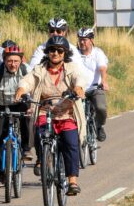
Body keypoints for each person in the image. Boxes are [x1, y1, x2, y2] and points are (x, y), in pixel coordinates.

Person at [15, 35, 85, 195]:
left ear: (64, 53)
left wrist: (79, 88)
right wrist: (21, 89)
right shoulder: (40, 69)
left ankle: (72, 181)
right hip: (44, 111)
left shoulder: (72, 67)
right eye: (52, 49)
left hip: (66, 112)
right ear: (47, 52)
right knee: (40, 134)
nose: (55, 53)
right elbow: (27, 80)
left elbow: (79, 78)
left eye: (59, 50)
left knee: (71, 143)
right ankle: (42, 158)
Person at [0, 44, 31, 187]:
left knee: (28, 119)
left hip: (20, 103)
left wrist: (32, 107)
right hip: (1, 105)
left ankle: (26, 148)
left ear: (21, 60)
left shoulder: (25, 69)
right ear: (4, 60)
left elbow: (34, 86)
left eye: (16, 61)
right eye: (10, 61)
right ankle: (0, 173)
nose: (13, 64)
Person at [75, 27, 110, 142]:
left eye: (84, 39)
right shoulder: (75, 54)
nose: (82, 42)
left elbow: (103, 68)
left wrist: (104, 81)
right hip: (79, 90)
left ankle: (99, 125)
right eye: (80, 39)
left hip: (95, 87)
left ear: (91, 40)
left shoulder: (98, 53)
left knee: (100, 108)